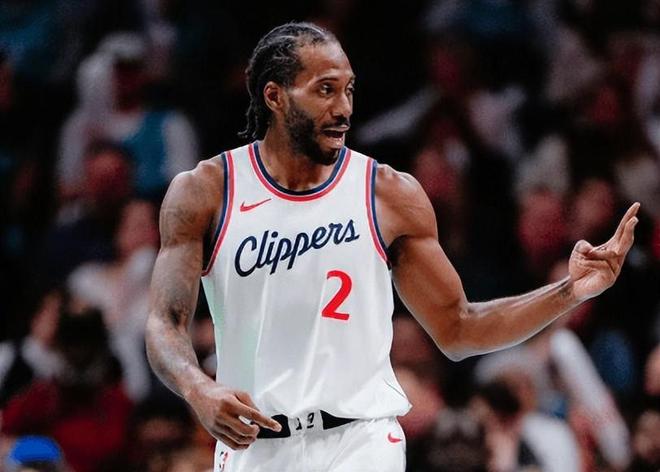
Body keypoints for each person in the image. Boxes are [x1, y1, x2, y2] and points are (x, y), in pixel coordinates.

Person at [145, 22, 640, 472]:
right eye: (325, 90)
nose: (344, 109)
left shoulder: (387, 194)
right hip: (254, 447)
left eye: (349, 90)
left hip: (361, 441)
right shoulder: (206, 192)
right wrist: (198, 388)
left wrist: (569, 291)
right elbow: (164, 323)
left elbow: (460, 328)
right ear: (274, 96)